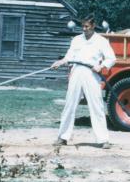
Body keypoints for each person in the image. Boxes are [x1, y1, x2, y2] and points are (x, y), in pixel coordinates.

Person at [50, 15, 116, 148]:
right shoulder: (76, 40)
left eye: (87, 26)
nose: (84, 29)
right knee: (69, 104)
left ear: (93, 26)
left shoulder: (101, 40)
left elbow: (111, 58)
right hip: (76, 72)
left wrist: (101, 66)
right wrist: (61, 62)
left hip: (91, 74)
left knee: (96, 105)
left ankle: (103, 140)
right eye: (83, 26)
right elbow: (69, 56)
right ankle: (63, 137)